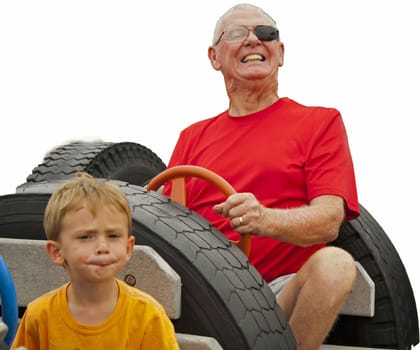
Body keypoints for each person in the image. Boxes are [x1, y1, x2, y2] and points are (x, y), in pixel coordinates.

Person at [163, 3, 360, 350]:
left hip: (271, 296)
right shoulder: (191, 136)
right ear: (214, 57)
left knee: (337, 265)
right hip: (198, 292)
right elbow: (164, 221)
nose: (254, 40)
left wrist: (263, 219)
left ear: (280, 53)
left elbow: (330, 219)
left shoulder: (320, 123)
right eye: (238, 34)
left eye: (266, 34)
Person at [11, 172, 180, 350]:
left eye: (113, 235)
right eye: (86, 237)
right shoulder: (39, 316)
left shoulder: (148, 316)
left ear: (128, 248)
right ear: (57, 252)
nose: (102, 247)